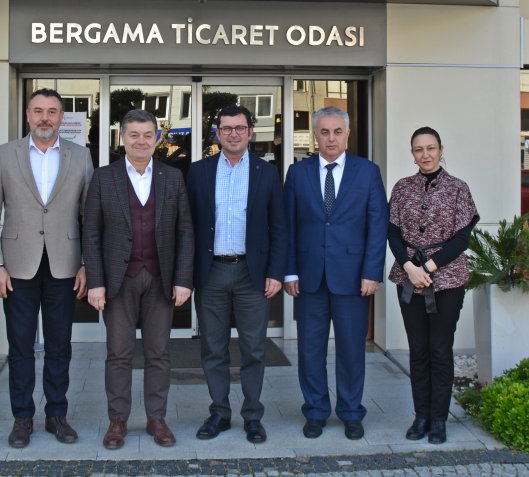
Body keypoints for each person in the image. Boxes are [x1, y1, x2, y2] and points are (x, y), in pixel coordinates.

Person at [0, 88, 94, 448]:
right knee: (20, 346)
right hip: (16, 267)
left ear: (61, 117)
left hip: (65, 265)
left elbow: (90, 216)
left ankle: (56, 415)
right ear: (28, 115)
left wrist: (86, 264)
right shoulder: (4, 154)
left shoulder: (81, 156)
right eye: (38, 111)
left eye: (52, 111)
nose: (45, 117)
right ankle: (22, 417)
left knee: (60, 345)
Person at [83, 109, 194, 450]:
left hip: (161, 279)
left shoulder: (172, 177)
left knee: (159, 353)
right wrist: (96, 281)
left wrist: (183, 279)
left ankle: (156, 418)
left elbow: (185, 231)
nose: (141, 141)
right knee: (118, 353)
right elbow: (91, 233)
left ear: (157, 139)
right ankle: (117, 420)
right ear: (122, 138)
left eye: (148, 135)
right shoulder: (103, 178)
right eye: (134, 134)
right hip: (119, 280)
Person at [283, 106, 388, 441]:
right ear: (316, 135)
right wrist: (289, 272)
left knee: (351, 351)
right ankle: (315, 411)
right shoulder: (297, 173)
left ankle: (351, 412)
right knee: (310, 350)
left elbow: (378, 226)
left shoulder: (367, 172)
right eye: (325, 132)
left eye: (337, 132)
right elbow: (287, 226)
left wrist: (372, 272)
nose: (331, 138)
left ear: (348, 134)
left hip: (354, 278)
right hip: (309, 278)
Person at [187, 105, 286, 444]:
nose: (233, 134)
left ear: (250, 132)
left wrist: (275, 272)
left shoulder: (266, 172)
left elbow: (278, 226)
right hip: (211, 272)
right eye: (226, 128)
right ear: (217, 133)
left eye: (239, 128)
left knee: (254, 349)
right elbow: (187, 226)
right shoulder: (198, 171)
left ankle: (252, 416)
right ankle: (219, 412)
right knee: (213, 349)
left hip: (251, 273)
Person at [387, 126, 479, 445]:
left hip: (448, 281)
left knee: (440, 349)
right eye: (418, 149)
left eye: (430, 148)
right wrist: (409, 267)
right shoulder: (402, 188)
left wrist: (428, 266)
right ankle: (421, 416)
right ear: (412, 154)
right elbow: (392, 234)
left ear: (441, 149)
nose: (425, 154)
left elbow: (462, 239)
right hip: (408, 278)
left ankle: (439, 418)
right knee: (418, 350)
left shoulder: (458, 188)